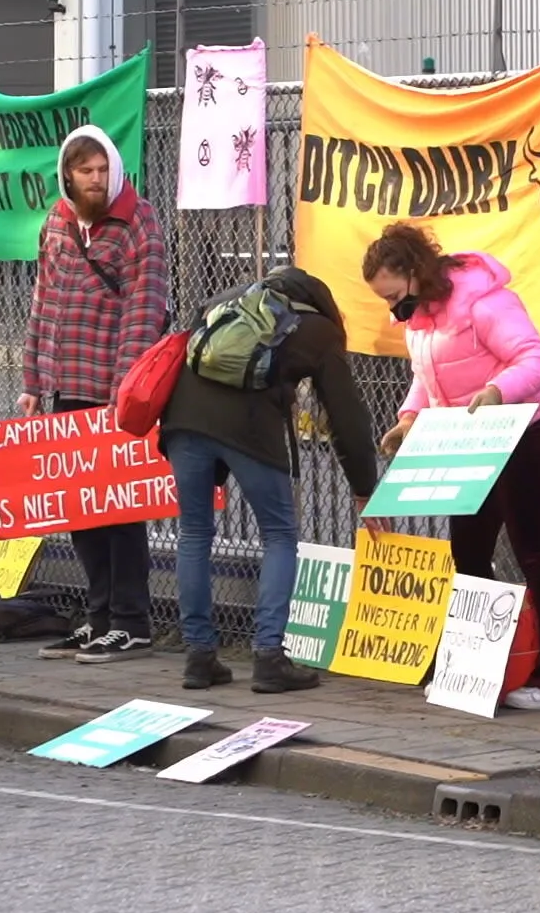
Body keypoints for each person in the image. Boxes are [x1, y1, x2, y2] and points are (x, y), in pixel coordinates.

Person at [363, 223, 540, 710]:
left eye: (395, 294)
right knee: (467, 553)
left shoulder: (484, 302)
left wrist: (497, 392)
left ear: (415, 272)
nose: (392, 308)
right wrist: (408, 419)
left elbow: (537, 360)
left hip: (527, 430)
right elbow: (428, 378)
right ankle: (474, 667)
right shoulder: (419, 319)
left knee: (535, 554)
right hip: (469, 440)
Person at [159, 267, 385, 693]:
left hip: (183, 423)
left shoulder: (222, 299)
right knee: (279, 534)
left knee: (194, 533)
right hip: (250, 430)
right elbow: (345, 417)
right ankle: (268, 656)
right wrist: (362, 487)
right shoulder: (318, 329)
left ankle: (199, 656)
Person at [22, 125, 171, 664]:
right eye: (85, 170)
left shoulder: (139, 223)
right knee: (81, 512)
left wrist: (123, 394)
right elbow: (43, 301)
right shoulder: (57, 223)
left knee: (121, 511)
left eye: (103, 168)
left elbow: (143, 309)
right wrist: (33, 383)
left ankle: (131, 623)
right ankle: (99, 617)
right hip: (67, 386)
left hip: (115, 395)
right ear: (68, 173)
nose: (95, 178)